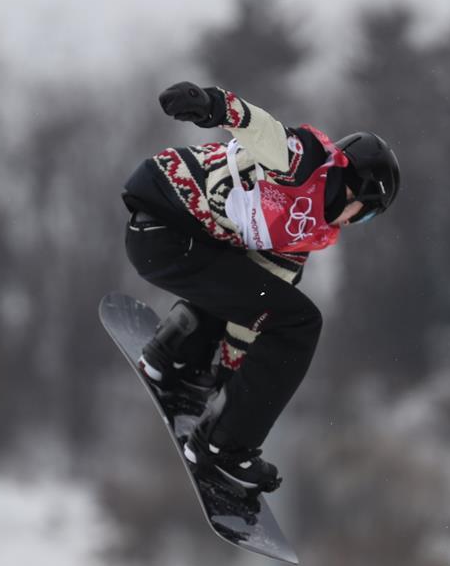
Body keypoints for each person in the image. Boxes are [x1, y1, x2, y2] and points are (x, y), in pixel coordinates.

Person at [122, 81, 400, 492]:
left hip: (177, 243)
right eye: (366, 214)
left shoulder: (303, 236)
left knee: (263, 296)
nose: (353, 223)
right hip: (165, 228)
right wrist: (210, 105)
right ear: (358, 192)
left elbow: (253, 313)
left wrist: (228, 380)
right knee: (301, 324)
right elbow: (258, 127)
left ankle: (179, 356)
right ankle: (223, 449)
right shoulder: (304, 162)